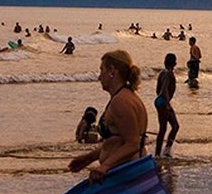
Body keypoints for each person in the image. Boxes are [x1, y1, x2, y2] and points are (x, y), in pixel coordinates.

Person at [68, 50, 149, 182]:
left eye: (101, 70)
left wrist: (105, 166)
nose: (99, 77)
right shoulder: (125, 96)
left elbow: (133, 143)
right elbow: (115, 143)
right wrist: (89, 158)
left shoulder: (121, 102)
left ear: (112, 71)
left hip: (125, 174)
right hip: (127, 171)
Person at [154, 53, 180, 158]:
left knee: (166, 127)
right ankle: (162, 152)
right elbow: (164, 89)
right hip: (163, 102)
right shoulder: (169, 74)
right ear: (175, 63)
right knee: (173, 126)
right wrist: (167, 103)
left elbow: (157, 89)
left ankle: (161, 152)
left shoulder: (161, 73)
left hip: (159, 101)